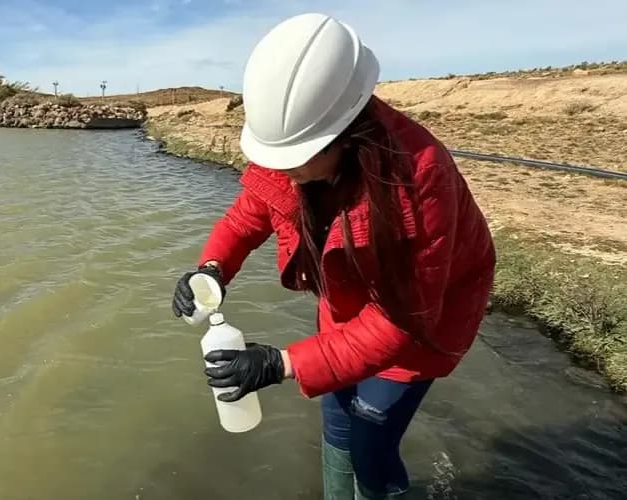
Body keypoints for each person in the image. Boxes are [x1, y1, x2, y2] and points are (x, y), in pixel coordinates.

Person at [171, 13, 496, 500]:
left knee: (371, 433)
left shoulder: (418, 179)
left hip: (421, 323)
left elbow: (399, 321)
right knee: (338, 418)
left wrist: (280, 363)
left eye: (294, 160)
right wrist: (211, 268)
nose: (283, 171)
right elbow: (245, 220)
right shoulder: (295, 152)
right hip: (348, 312)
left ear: (346, 136)